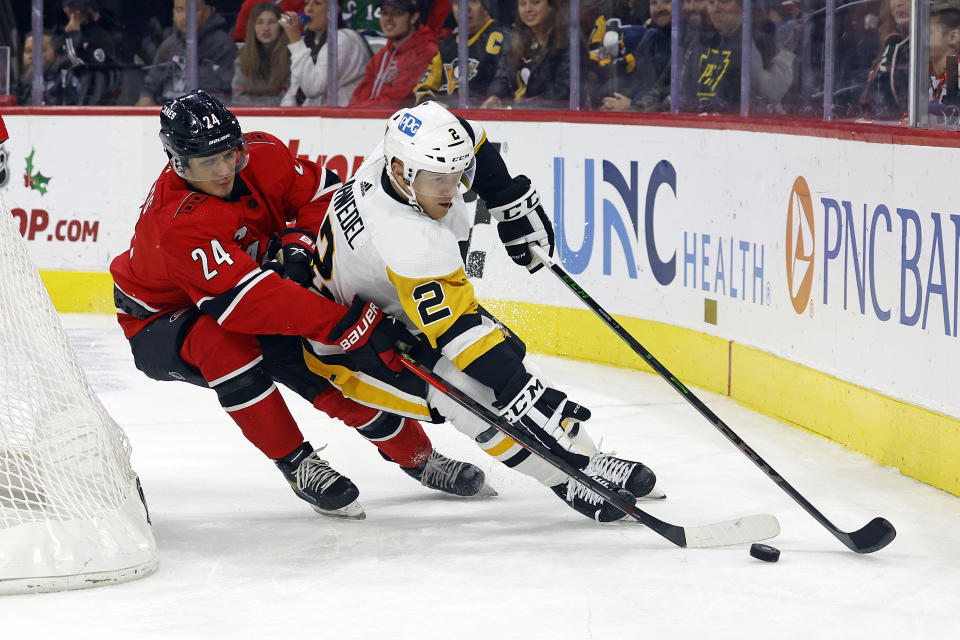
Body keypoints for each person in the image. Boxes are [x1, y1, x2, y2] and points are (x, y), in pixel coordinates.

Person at [110, 90, 489, 520]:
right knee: (227, 348)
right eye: (206, 162)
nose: (223, 170)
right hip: (161, 319)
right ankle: (297, 463)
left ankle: (418, 457)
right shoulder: (176, 222)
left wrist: (297, 246)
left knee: (320, 363)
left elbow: (328, 194)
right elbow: (247, 304)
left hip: (243, 288)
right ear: (179, 163)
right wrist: (348, 323)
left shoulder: (263, 154)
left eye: (230, 154)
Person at [295, 101, 660, 523]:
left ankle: (590, 460)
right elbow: (465, 344)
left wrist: (507, 199)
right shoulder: (409, 241)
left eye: (457, 175)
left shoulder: (393, 155)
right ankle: (567, 481)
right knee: (472, 396)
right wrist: (525, 392)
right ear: (402, 173)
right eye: (439, 180)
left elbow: (466, 134)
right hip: (352, 343)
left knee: (512, 367)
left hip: (394, 306)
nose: (452, 190)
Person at [678, 0, 795, 114]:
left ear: (742, 7)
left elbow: (771, 93)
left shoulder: (759, 42)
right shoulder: (701, 42)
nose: (715, 10)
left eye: (724, 2)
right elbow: (686, 94)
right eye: (711, 2)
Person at [136, 0, 237, 106]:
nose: (185, 17)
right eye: (180, 10)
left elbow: (216, 96)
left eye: (193, 10)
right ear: (173, 14)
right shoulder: (169, 45)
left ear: (207, 12)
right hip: (167, 114)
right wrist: (145, 101)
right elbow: (149, 88)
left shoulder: (223, 46)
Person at [482, 0, 575, 109]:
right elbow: (502, 77)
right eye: (522, 4)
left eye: (536, 2)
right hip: (516, 115)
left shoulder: (569, 43)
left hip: (549, 119)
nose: (528, 9)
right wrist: (495, 96)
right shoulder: (516, 41)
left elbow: (563, 92)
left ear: (551, 6)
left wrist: (523, 106)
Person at [413, 0, 508, 106]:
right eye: (457, 3)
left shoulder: (505, 37)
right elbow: (422, 90)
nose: (465, 8)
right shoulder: (445, 48)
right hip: (449, 118)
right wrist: (434, 106)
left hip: (487, 119)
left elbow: (508, 84)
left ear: (486, 8)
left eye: (473, 1)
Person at [348, 0, 439, 107]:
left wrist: (360, 112)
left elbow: (395, 102)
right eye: (384, 13)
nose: (388, 19)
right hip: (372, 119)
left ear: (413, 17)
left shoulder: (425, 52)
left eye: (398, 13)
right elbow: (360, 94)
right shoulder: (384, 54)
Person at [279, 0, 372, 106]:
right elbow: (294, 91)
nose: (308, 9)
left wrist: (295, 39)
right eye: (306, 3)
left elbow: (313, 88)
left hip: (347, 117)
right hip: (317, 118)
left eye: (317, 3)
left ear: (334, 9)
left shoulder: (343, 39)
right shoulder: (309, 41)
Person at [598, 0, 673, 112]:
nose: (659, 8)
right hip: (642, 106)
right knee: (606, 89)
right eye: (653, 3)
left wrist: (632, 106)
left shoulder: (685, 42)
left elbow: (670, 96)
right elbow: (636, 81)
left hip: (656, 115)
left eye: (666, 1)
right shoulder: (650, 37)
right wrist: (616, 100)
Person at [231, 2, 292, 106]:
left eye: (272, 22)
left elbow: (287, 100)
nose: (266, 28)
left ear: (281, 26)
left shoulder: (291, 56)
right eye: (260, 22)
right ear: (252, 26)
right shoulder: (242, 57)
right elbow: (237, 98)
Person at [16, 32, 82, 106]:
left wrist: (49, 96)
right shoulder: (19, 87)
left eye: (40, 50)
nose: (32, 55)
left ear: (58, 56)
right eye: (28, 51)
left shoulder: (68, 81)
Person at [233, 0, 306, 41]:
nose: (266, 28)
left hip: (288, 51)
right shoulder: (249, 4)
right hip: (255, 52)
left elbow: (300, 35)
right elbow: (240, 37)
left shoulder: (299, 3)